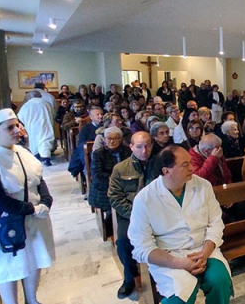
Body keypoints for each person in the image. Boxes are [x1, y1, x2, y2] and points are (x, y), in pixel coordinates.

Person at [0, 108, 55, 304]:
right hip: (5, 222)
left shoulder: (22, 152)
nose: (17, 130)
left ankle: (32, 299)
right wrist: (31, 209)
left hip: (34, 218)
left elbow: (38, 180)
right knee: (10, 266)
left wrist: (46, 202)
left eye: (17, 125)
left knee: (34, 259)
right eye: (10, 128)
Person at [128, 145, 233, 304]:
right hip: (169, 256)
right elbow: (142, 247)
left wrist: (205, 252)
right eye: (185, 165)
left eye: (190, 162)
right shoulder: (145, 199)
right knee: (179, 297)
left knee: (220, 280)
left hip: (203, 250)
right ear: (166, 171)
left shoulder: (203, 185)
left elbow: (215, 223)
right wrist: (178, 263)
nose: (192, 168)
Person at [107, 131, 155, 299]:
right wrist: (135, 216)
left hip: (156, 213)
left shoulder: (158, 164)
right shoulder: (120, 168)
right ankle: (129, 278)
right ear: (131, 147)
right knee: (123, 241)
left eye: (147, 146)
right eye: (139, 146)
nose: (144, 150)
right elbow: (115, 197)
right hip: (130, 215)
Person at [89, 127, 132, 211]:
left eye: (115, 138)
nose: (112, 141)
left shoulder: (128, 151)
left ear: (121, 139)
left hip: (125, 186)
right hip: (104, 189)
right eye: (109, 138)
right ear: (104, 139)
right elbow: (97, 175)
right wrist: (115, 182)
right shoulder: (99, 154)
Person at [17, 90, 55, 166]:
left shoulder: (26, 105)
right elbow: (53, 114)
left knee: (34, 141)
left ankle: (36, 156)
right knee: (45, 141)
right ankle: (46, 158)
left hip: (32, 127)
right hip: (45, 125)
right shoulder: (46, 103)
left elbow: (20, 117)